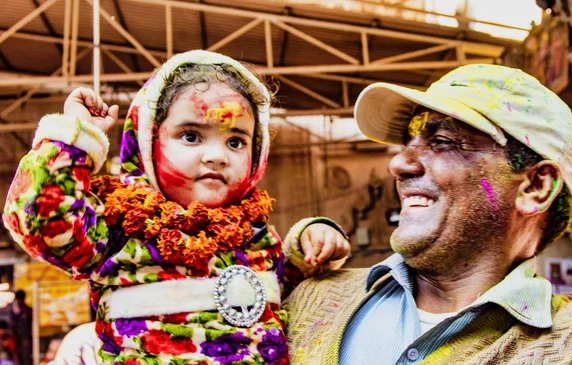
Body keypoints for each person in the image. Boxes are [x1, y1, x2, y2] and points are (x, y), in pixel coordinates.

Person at [3, 50, 350, 364]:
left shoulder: (256, 235)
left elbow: (284, 286)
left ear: (257, 153)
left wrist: (309, 243)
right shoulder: (118, 227)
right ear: (148, 143)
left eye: (236, 141)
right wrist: (77, 138)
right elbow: (38, 218)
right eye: (191, 136)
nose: (216, 155)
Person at [283, 64, 572, 364]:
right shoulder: (312, 298)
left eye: (443, 142)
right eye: (409, 142)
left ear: (535, 187)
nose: (398, 164)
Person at [10, 290, 31, 365]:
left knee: (25, 357)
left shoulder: (28, 311)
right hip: (17, 338)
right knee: (17, 357)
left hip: (25, 337)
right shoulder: (14, 312)